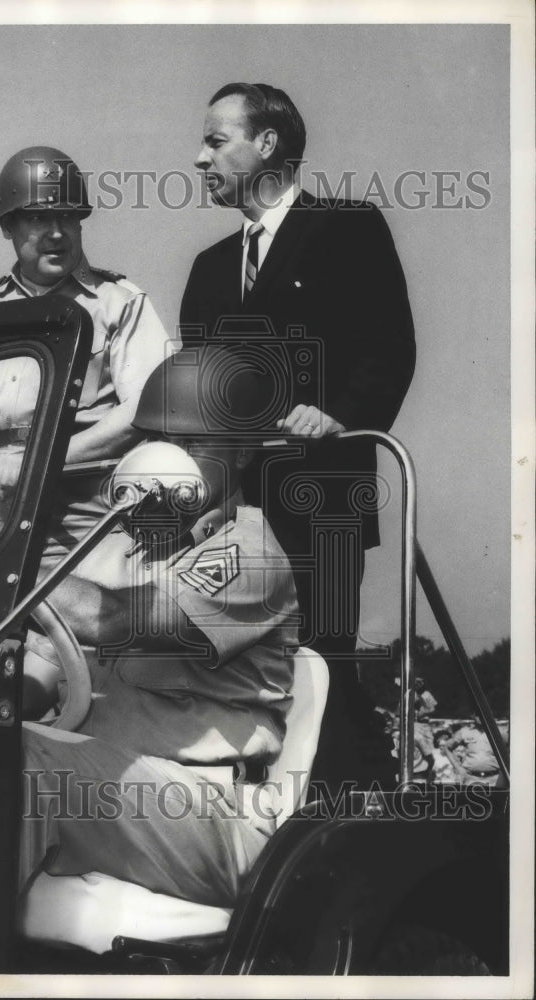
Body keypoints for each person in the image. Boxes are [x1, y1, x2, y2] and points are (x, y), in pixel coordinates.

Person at [0, 347, 301, 906]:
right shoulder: (114, 548)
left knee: (18, 763)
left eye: (193, 444)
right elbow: (38, 677)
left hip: (207, 809)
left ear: (240, 453)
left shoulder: (248, 553)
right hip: (106, 790)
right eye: (158, 442)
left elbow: (117, 621)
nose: (170, 461)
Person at [180, 82, 416, 790]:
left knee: (319, 667)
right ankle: (270, 835)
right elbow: (203, 405)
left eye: (216, 140)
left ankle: (363, 828)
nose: (199, 158)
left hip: (324, 502)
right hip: (234, 516)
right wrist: (209, 494)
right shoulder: (208, 270)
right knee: (237, 672)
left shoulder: (348, 228)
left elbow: (388, 350)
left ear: (267, 144)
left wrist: (337, 414)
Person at [0, 145, 173, 571]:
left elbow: (145, 409)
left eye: (67, 216)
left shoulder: (119, 303)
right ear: (8, 227)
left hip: (88, 517)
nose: (57, 231)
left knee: (87, 630)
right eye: (38, 218)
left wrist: (38, 460)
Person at [440, 721, 500, 785]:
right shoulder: (464, 732)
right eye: (477, 714)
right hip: (471, 778)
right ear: (473, 715)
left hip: (494, 778)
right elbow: (447, 747)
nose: (479, 717)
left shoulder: (498, 731)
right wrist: (458, 768)